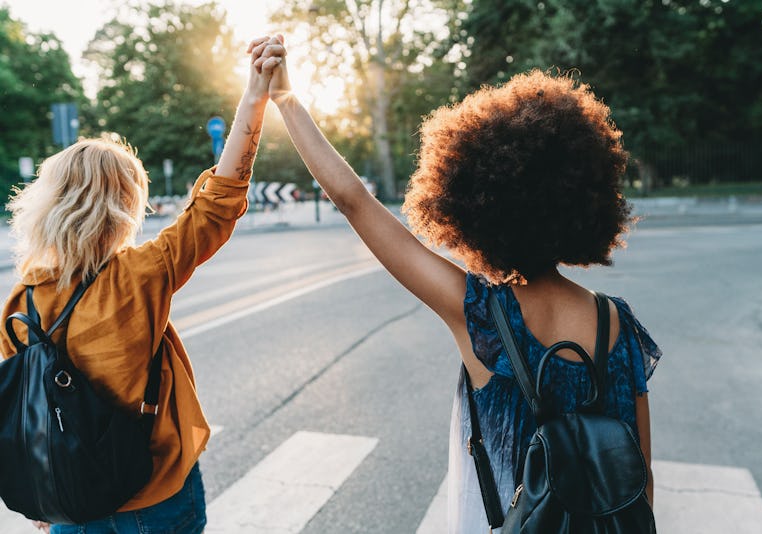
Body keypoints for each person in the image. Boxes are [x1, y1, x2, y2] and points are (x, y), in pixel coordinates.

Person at [262, 41, 661, 532]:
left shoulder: (480, 314)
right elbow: (641, 481)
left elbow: (353, 202)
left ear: (473, 207)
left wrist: (286, 100)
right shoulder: (617, 322)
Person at [1, 36, 286, 533]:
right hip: (155, 495)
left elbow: (27, 412)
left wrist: (47, 502)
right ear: (122, 208)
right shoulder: (142, 275)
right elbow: (219, 201)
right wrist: (255, 93)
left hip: (70, 504)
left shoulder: (19, 303)